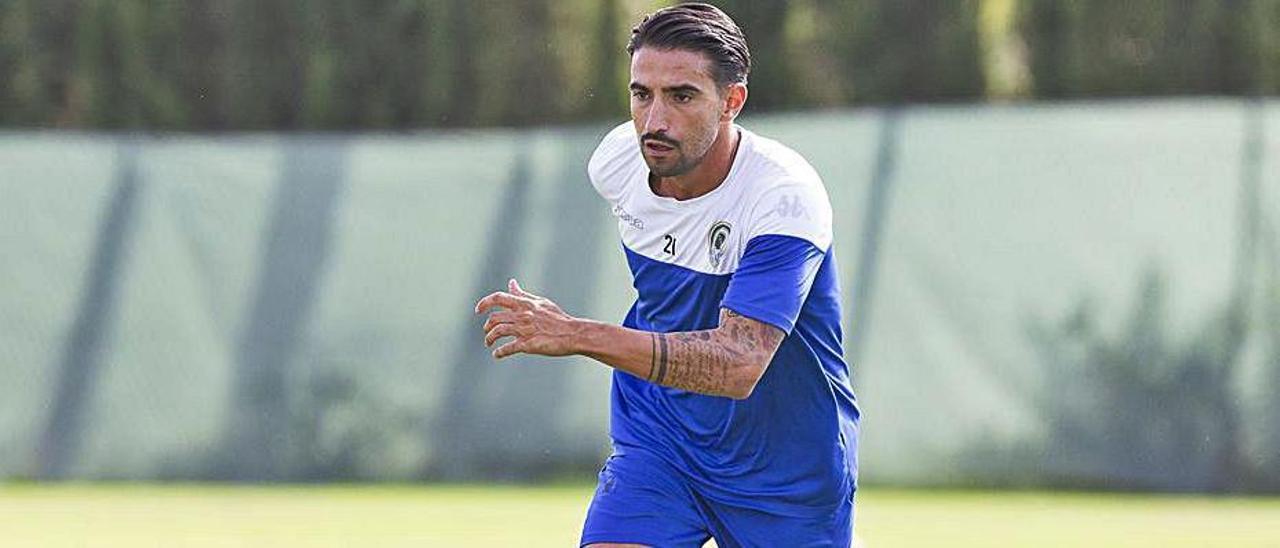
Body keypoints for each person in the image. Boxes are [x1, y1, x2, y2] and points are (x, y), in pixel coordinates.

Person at [474, 4, 859, 547]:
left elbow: (738, 364)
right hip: (662, 442)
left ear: (732, 101)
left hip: (784, 470)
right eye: (641, 94)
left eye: (681, 96)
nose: (654, 121)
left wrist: (577, 334)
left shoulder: (783, 198)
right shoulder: (617, 163)